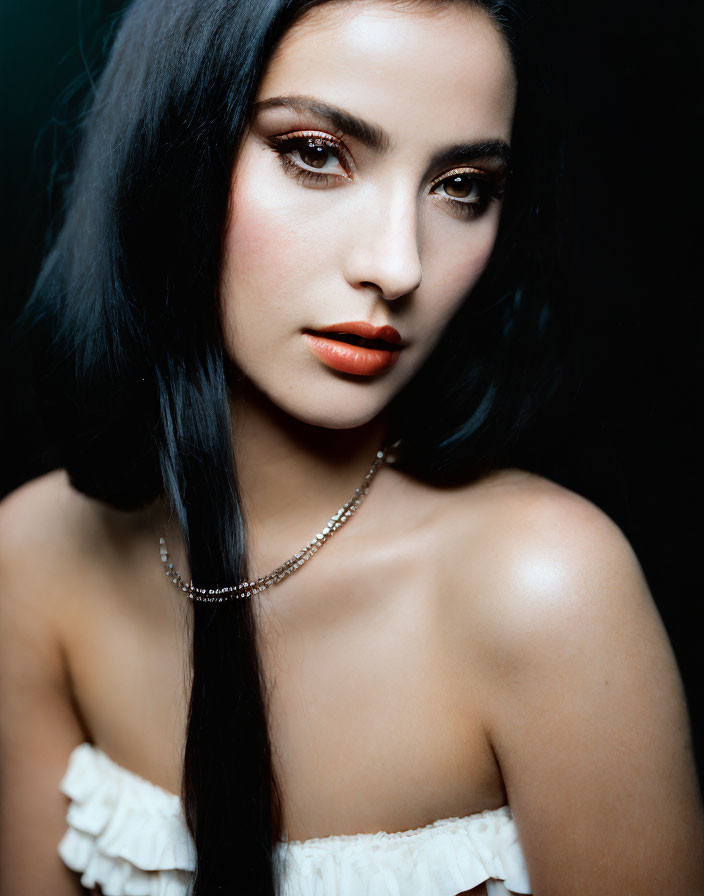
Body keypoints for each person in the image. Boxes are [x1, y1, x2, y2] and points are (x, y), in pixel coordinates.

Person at [1, 0, 702, 894]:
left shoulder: (547, 590)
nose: (399, 265)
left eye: (463, 187)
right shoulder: (34, 559)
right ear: (170, 148)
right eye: (316, 154)